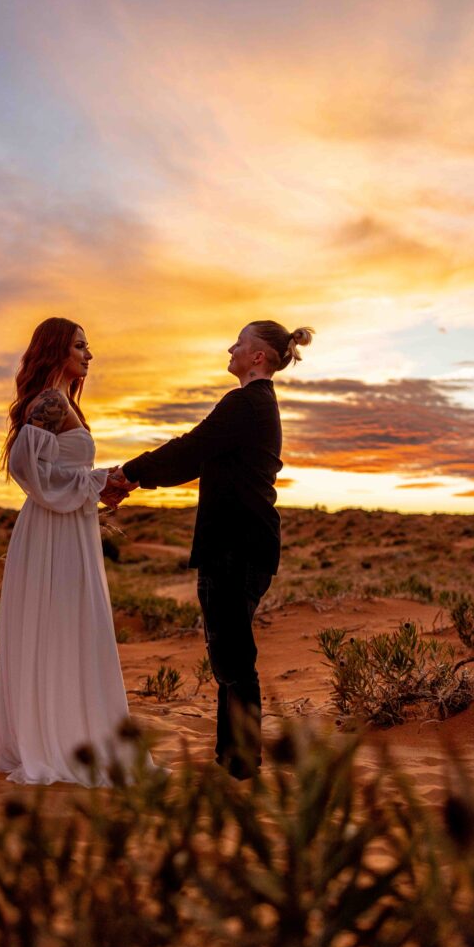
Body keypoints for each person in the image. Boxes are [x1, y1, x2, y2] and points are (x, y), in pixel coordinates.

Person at [114, 320, 313, 779]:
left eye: (239, 343)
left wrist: (128, 471)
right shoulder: (256, 406)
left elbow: (190, 448)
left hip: (235, 545)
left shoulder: (246, 402)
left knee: (233, 658)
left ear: (258, 356)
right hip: (243, 543)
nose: (231, 347)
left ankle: (242, 764)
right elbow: (198, 459)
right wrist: (138, 476)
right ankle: (233, 758)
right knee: (230, 656)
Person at [0, 317, 142, 787]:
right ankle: (53, 739)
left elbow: (57, 468)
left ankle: (68, 730)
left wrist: (100, 483)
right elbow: (24, 467)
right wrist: (94, 482)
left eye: (88, 345)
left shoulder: (59, 403)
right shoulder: (50, 402)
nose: (88, 354)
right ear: (56, 350)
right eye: (80, 345)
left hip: (68, 527)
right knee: (59, 624)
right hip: (52, 532)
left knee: (71, 626)